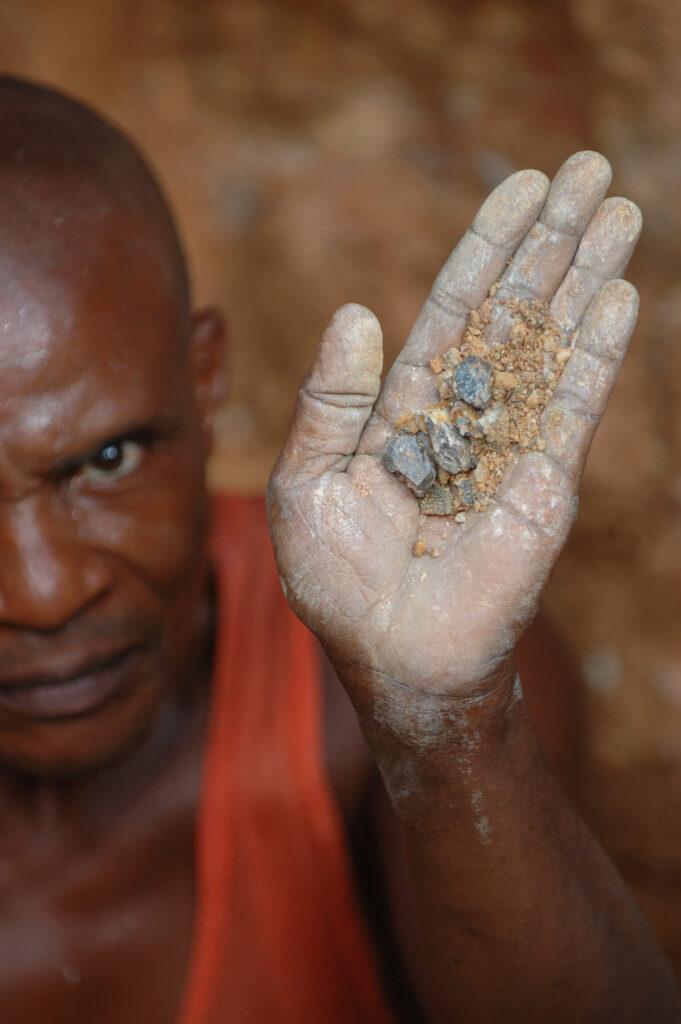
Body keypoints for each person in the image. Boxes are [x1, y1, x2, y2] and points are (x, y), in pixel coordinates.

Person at [0, 74, 676, 1024]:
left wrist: (443, 728)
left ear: (204, 381)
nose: (40, 590)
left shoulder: (362, 695)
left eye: (106, 460)